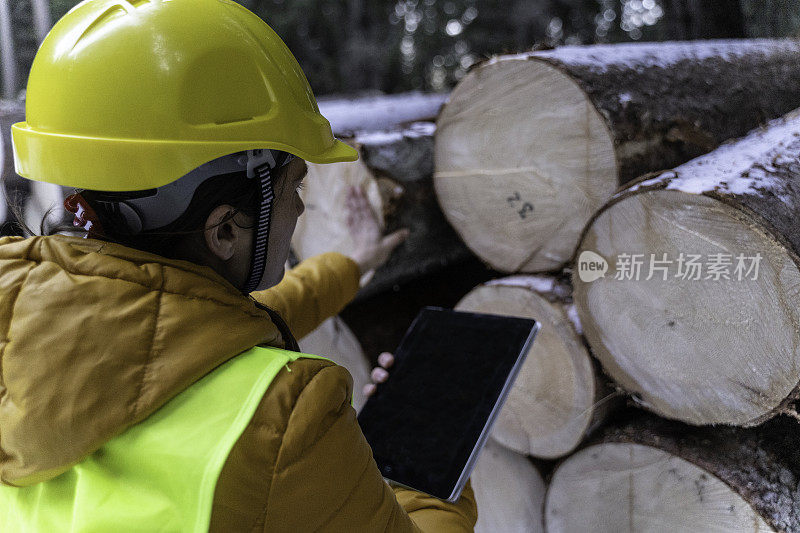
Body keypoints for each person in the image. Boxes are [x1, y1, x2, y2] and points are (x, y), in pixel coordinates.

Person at [0, 0, 478, 531]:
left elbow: (178, 331)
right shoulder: (283, 418)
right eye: (295, 183)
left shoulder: (30, 339)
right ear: (225, 229)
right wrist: (431, 459)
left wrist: (346, 266)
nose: (301, 206)